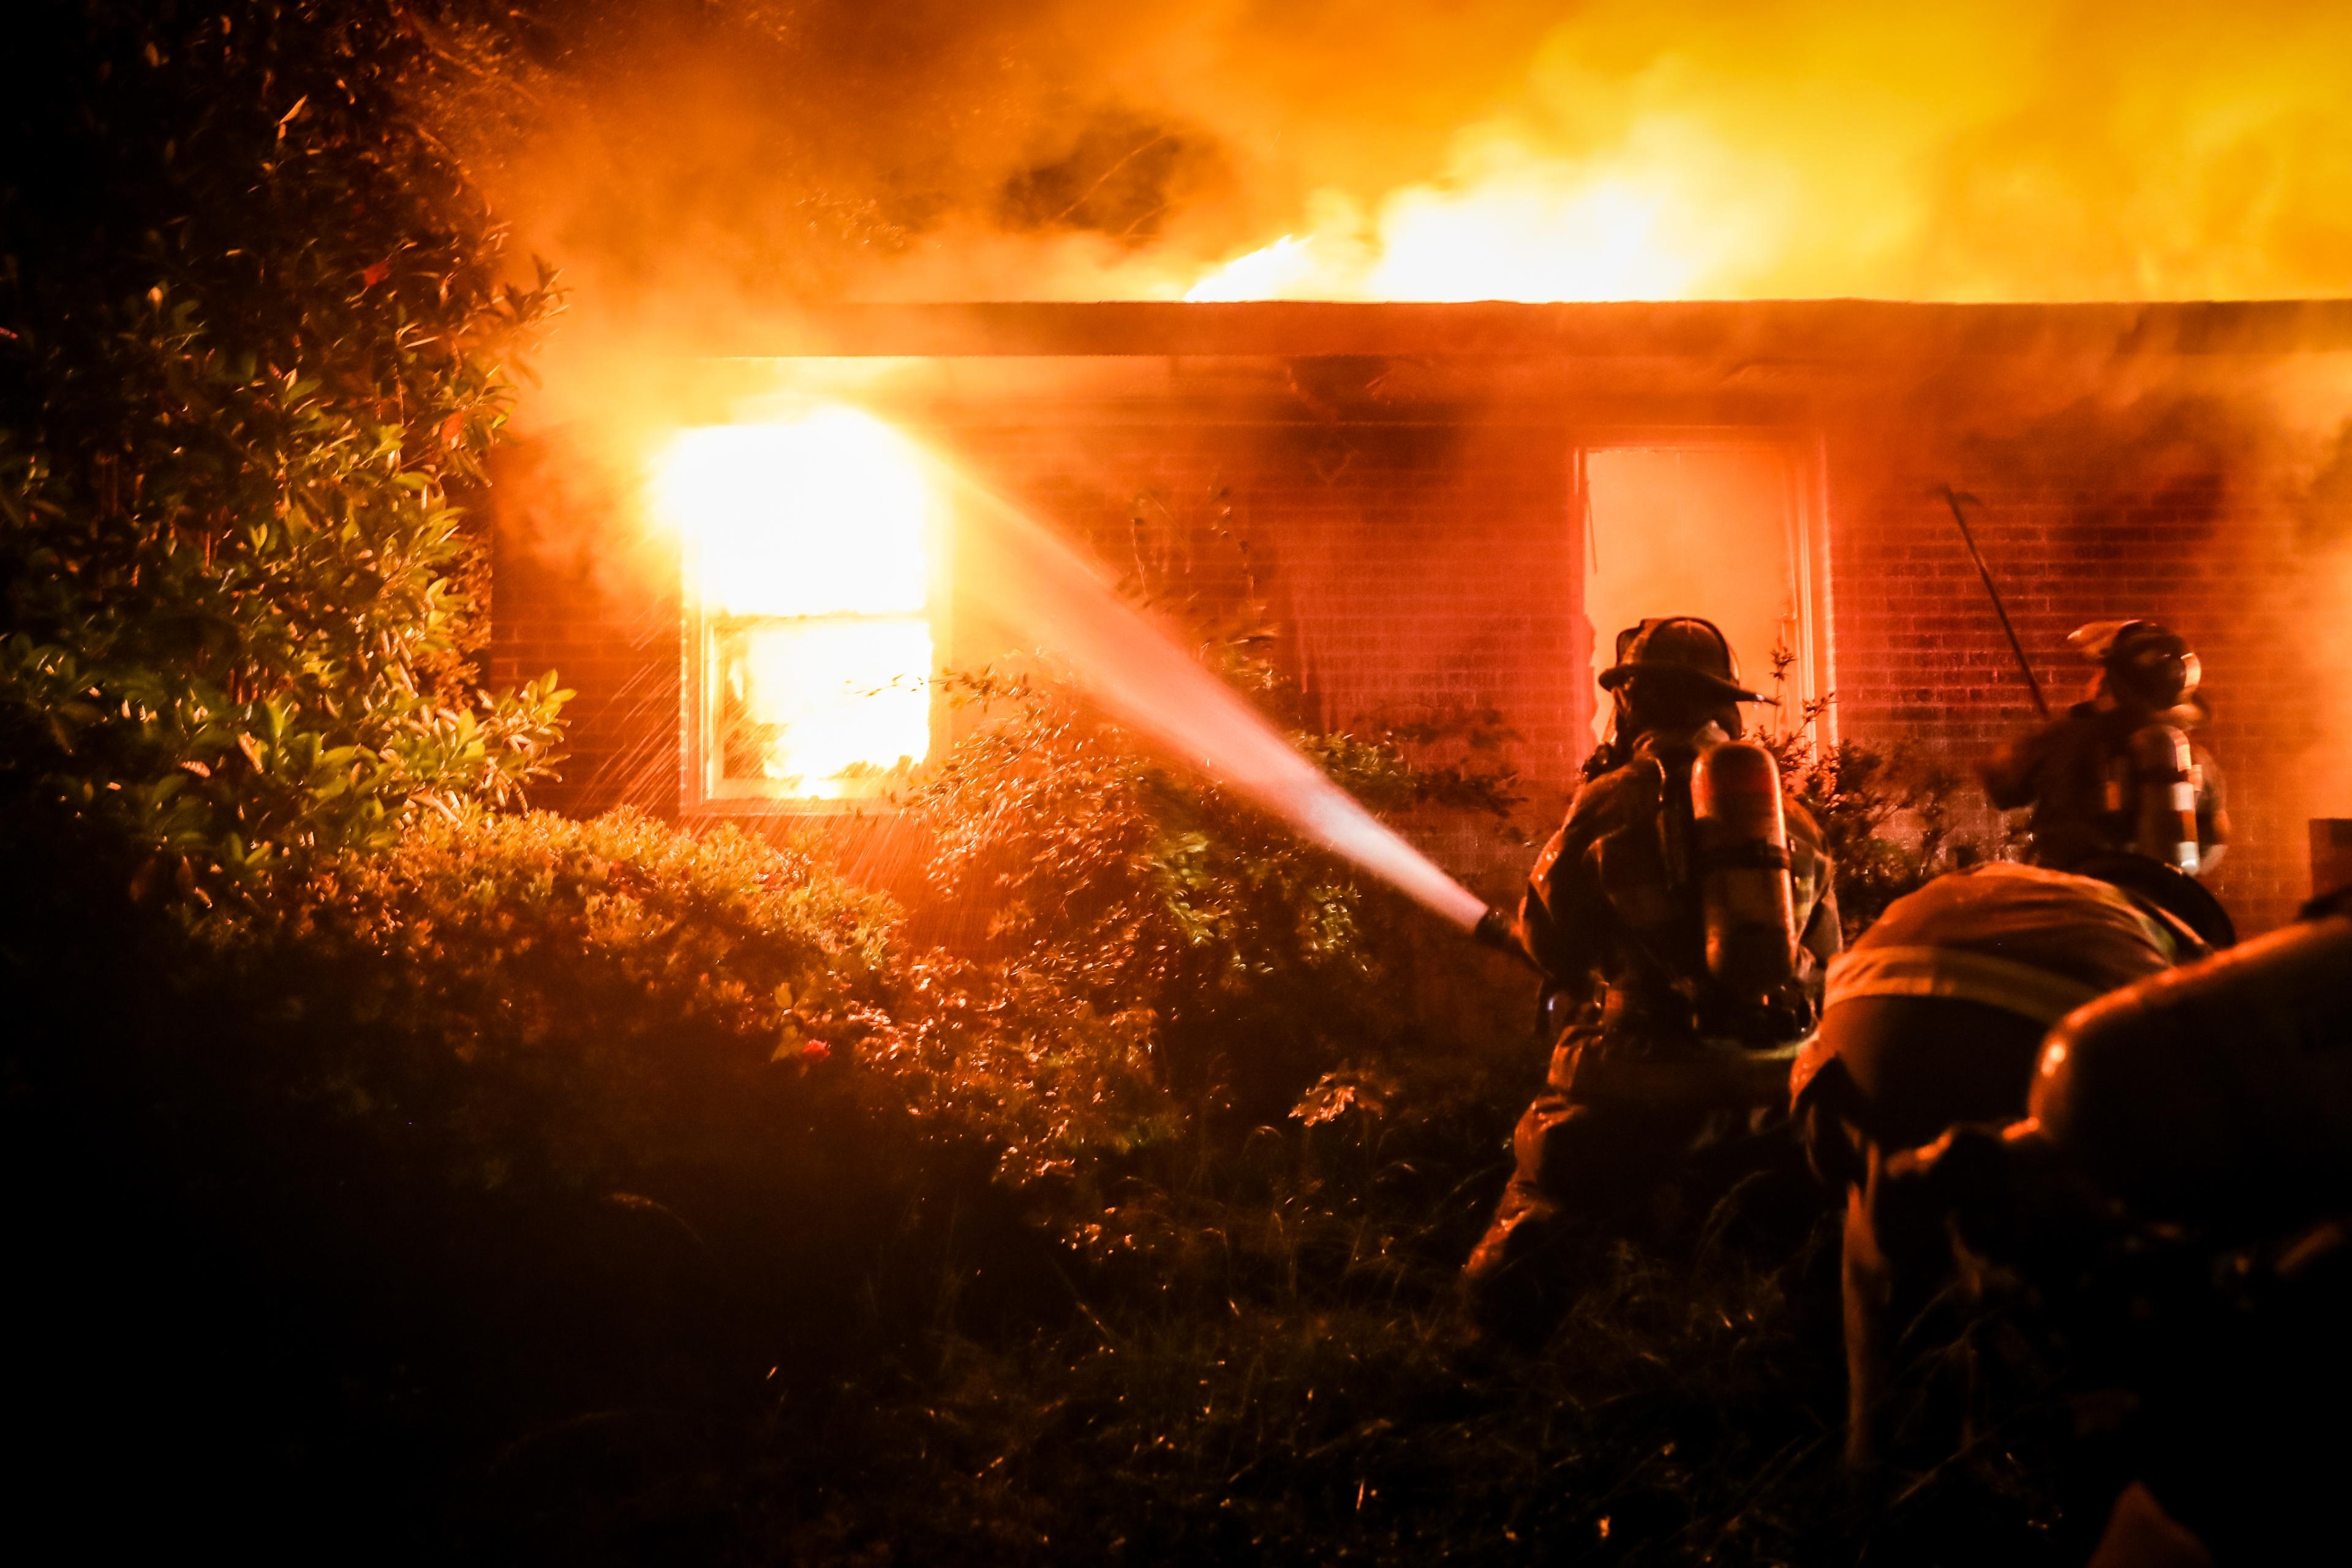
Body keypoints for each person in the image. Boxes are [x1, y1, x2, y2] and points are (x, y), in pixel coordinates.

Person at [1460, 617, 1840, 1346]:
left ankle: (1488, 1370)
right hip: (1768, 1086)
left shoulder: (1612, 798)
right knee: (1790, 1254)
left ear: (1632, 699)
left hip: (1633, 1075)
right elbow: (1826, 958)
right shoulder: (1792, 820)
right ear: (1721, 703)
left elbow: (1551, 941)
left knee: (1536, 1213)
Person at [1785, 860, 2207, 1472]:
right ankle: (2050, 1472)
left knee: (1878, 1241)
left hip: (1859, 1013)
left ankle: (1872, 1484)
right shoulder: (2188, 949)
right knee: (2088, 1273)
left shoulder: (2040, 887)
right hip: (2038, 1024)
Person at [1982, 620, 2228, 878]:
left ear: (2112, 684)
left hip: (2071, 896)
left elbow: (2001, 785)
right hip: (2158, 903)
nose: (2094, 681)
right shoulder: (2197, 759)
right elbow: (2214, 841)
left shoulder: (2067, 738)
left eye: (2100, 673)